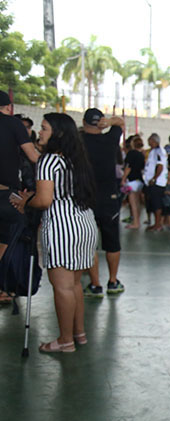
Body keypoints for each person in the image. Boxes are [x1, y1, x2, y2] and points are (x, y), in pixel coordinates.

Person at [11, 113, 98, 352]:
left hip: (62, 228)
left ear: (57, 133)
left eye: (44, 128)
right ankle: (79, 334)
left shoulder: (48, 161)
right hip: (85, 223)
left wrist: (26, 202)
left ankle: (64, 340)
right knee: (75, 285)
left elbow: (45, 200)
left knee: (62, 287)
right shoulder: (75, 159)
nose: (39, 132)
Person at [81, 108, 125, 297]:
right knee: (112, 241)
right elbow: (121, 122)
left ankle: (95, 284)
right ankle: (113, 282)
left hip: (85, 198)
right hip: (109, 198)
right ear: (101, 122)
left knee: (90, 243)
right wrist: (111, 122)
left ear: (84, 122)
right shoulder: (110, 139)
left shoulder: (79, 142)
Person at [0, 90, 40, 264]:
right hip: (7, 194)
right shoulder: (13, 124)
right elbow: (33, 157)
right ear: (8, 107)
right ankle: (4, 286)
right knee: (14, 237)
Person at [144, 134, 168, 232]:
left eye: (149, 140)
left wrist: (154, 178)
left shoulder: (160, 151)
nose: (148, 142)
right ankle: (156, 223)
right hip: (151, 182)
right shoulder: (152, 151)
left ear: (154, 141)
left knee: (157, 203)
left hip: (157, 182)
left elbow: (160, 166)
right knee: (153, 203)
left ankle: (158, 224)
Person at [121, 136, 145, 229]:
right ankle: (137, 220)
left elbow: (128, 167)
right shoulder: (141, 155)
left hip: (131, 181)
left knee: (132, 202)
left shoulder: (131, 153)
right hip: (139, 180)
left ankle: (135, 222)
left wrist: (123, 178)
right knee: (137, 202)